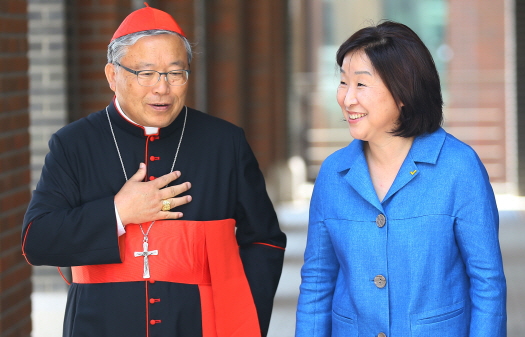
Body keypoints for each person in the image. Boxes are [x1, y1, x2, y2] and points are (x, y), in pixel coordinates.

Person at [22, 4, 286, 337]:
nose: (162, 88)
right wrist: (118, 212)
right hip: (98, 326)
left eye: (175, 73)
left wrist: (243, 322)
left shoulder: (224, 143)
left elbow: (265, 240)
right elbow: (37, 240)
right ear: (112, 76)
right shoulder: (73, 144)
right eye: (146, 73)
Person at [295, 21, 506, 336]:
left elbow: (487, 283)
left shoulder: (459, 168)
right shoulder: (333, 173)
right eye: (342, 82)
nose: (347, 99)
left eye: (361, 85)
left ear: (404, 91)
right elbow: (317, 282)